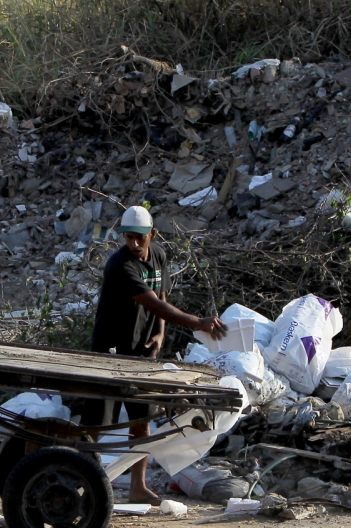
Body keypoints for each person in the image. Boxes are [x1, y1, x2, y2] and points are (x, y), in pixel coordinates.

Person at [80, 205, 228, 505]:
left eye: (139, 238)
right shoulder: (120, 266)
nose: (134, 244)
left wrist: (159, 333)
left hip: (142, 350)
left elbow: (161, 297)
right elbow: (155, 305)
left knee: (141, 418)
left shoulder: (158, 255)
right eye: (128, 238)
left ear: (152, 235)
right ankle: (81, 483)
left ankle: (138, 486)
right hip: (110, 350)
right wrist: (198, 322)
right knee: (97, 421)